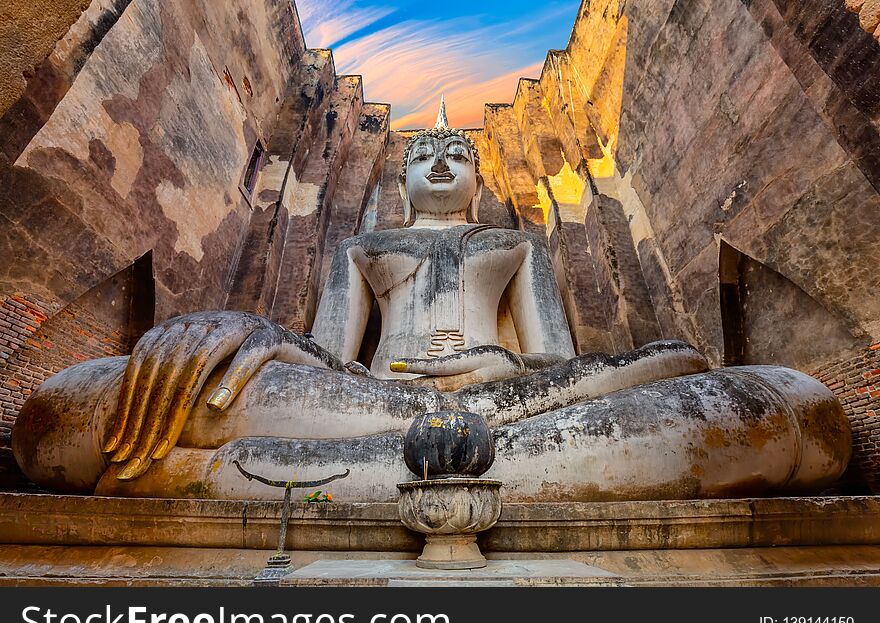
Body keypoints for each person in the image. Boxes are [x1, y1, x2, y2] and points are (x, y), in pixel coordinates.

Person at [12, 102, 851, 501]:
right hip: (362, 401)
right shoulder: (364, 246)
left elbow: (561, 360)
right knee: (68, 407)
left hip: (520, 399)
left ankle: (267, 480)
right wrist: (246, 332)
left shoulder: (515, 244)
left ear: (481, 175)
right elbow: (324, 354)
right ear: (404, 173)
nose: (444, 159)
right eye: (428, 151)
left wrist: (502, 366)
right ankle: (464, 467)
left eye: (459, 151)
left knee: (780, 402)